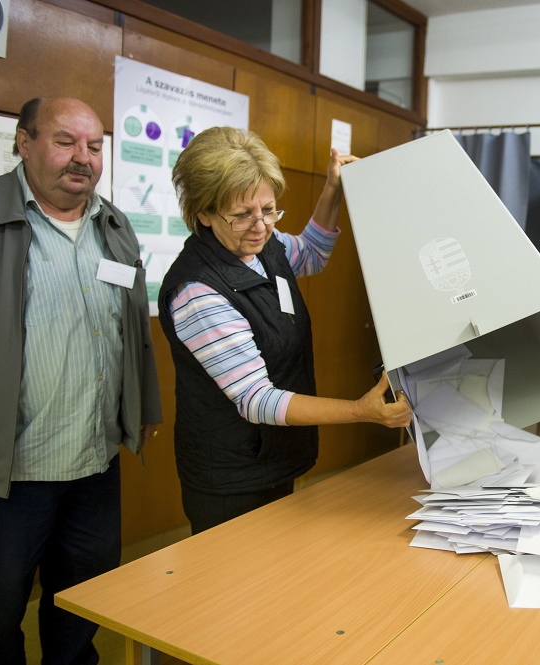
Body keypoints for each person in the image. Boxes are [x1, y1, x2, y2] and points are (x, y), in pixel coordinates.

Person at [0, 97, 162, 664]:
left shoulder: (113, 225)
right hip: (9, 470)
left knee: (83, 603)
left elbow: (133, 329)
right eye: (64, 142)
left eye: (94, 146)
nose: (83, 158)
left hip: (94, 464)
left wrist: (143, 404)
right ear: (23, 143)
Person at [158, 126, 410, 535]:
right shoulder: (197, 291)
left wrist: (333, 189)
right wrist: (360, 411)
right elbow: (257, 399)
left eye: (269, 209)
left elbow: (310, 253)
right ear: (203, 213)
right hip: (232, 478)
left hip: (275, 458)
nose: (260, 226)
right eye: (242, 215)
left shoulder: (262, 245)